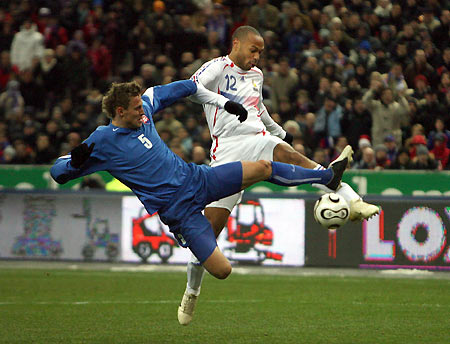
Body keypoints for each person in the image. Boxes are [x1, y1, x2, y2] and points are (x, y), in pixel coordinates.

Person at [50, 79, 349, 284]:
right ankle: (186, 239)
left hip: (198, 179)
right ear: (120, 111)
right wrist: (73, 161)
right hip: (180, 212)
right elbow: (59, 172)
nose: (143, 111)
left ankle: (326, 176)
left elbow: (188, 86)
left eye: (142, 105)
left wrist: (221, 101)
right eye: (137, 108)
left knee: (263, 167)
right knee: (222, 270)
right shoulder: (102, 142)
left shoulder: (146, 110)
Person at [181, 25, 379, 326]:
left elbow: (258, 110)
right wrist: (223, 103)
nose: (257, 57)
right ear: (237, 43)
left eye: (261, 52)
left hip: (259, 139)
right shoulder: (218, 67)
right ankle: (192, 291)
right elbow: (192, 89)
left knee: (291, 155)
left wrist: (280, 132)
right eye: (253, 50)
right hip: (227, 151)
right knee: (207, 235)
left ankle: (352, 199)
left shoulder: (257, 76)